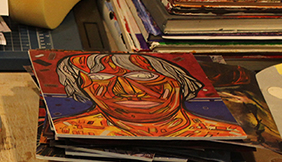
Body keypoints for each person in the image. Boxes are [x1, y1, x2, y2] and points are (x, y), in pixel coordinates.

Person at [54, 52, 246, 138]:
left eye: (143, 76)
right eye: (101, 77)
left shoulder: (226, 134)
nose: (127, 90)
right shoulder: (68, 131)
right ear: (82, 87)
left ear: (180, 81)